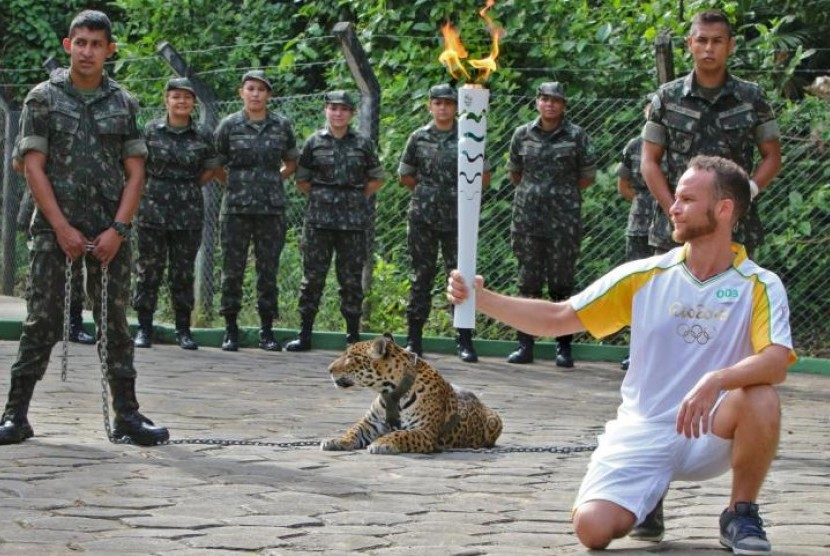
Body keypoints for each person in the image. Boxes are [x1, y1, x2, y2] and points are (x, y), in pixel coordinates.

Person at [447, 155, 795, 555]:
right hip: (644, 429)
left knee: (760, 395)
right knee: (592, 531)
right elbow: (557, 318)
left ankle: (740, 512)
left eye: (686, 199)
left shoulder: (760, 284)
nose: (673, 208)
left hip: (711, 429)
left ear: (724, 209)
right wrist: (481, 298)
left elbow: (775, 359)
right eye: (675, 198)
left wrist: (717, 379)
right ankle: (648, 496)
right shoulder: (644, 276)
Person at [0, 10, 169, 446]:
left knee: (114, 324)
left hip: (108, 234)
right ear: (67, 45)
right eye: (81, 42)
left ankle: (127, 416)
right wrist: (60, 228)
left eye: (97, 44)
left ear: (110, 50)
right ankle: (15, 414)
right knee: (43, 321)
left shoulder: (123, 102)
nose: (88, 51)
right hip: (54, 232)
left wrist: (118, 228)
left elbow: (135, 172)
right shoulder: (43, 98)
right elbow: (31, 168)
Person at [641, 8, 781, 256]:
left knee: (731, 294)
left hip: (733, 226)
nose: (709, 48)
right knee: (671, 295)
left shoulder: (752, 97)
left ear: (731, 45)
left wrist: (748, 191)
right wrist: (672, 208)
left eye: (717, 41)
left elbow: (772, 156)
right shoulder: (667, 97)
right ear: (690, 44)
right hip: (675, 229)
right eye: (702, 40)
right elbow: (648, 161)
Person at [505, 81, 596, 368]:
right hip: (528, 220)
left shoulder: (576, 136)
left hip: (563, 222)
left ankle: (563, 347)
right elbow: (515, 174)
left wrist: (559, 196)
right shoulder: (522, 134)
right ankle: (525, 345)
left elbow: (586, 177)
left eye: (555, 100)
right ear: (537, 102)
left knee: (562, 284)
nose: (550, 105)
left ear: (563, 105)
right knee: (528, 283)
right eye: (544, 99)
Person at [284, 91, 384, 352]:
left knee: (351, 280)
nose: (338, 113)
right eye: (333, 108)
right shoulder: (314, 143)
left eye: (343, 109)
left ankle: (353, 337)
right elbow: (302, 180)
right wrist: (324, 196)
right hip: (319, 222)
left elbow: (376, 178)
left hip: (352, 223)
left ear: (351, 113)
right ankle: (305, 334)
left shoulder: (363, 144)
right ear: (325, 111)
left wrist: (353, 197)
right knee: (312, 278)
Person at [398, 83, 491, 363]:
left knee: (461, 278)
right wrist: (431, 194)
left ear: (457, 107)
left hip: (458, 220)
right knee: (420, 277)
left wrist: (454, 195)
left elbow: (483, 177)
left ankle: (463, 340)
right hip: (423, 219)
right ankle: (414, 340)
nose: (443, 108)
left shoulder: (469, 136)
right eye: (437, 103)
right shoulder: (418, 137)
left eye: (448, 103)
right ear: (430, 106)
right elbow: (406, 176)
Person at [132, 77, 221, 351]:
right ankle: (144, 328)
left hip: (188, 211)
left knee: (182, 273)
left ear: (194, 103)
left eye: (187, 97)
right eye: (176, 96)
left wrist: (187, 185)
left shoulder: (204, 135)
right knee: (148, 270)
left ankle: (183, 330)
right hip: (152, 209)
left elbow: (210, 170)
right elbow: (138, 166)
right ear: (166, 100)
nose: (181, 101)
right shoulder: (150, 131)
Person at [213, 70, 299, 352]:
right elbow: (216, 165)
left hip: (270, 210)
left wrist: (273, 181)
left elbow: (291, 162)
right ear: (242, 93)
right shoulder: (229, 126)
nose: (255, 94)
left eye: (261, 90)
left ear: (269, 95)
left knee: (267, 271)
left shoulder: (281, 125)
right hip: (236, 208)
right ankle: (230, 330)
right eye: (250, 89)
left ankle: (266, 331)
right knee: (232, 270)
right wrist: (236, 184)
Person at [14, 141, 95, 345]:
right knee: (40, 269)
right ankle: (36, 323)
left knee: (75, 267)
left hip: (79, 204)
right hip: (41, 205)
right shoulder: (39, 114)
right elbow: (17, 162)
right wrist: (51, 175)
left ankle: (74, 324)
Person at [615, 96, 661, 371]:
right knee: (638, 290)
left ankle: (659, 352)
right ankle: (635, 351)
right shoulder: (634, 146)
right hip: (640, 226)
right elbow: (624, 185)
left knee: (665, 291)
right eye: (649, 107)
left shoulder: (677, 144)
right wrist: (644, 202)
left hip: (670, 226)